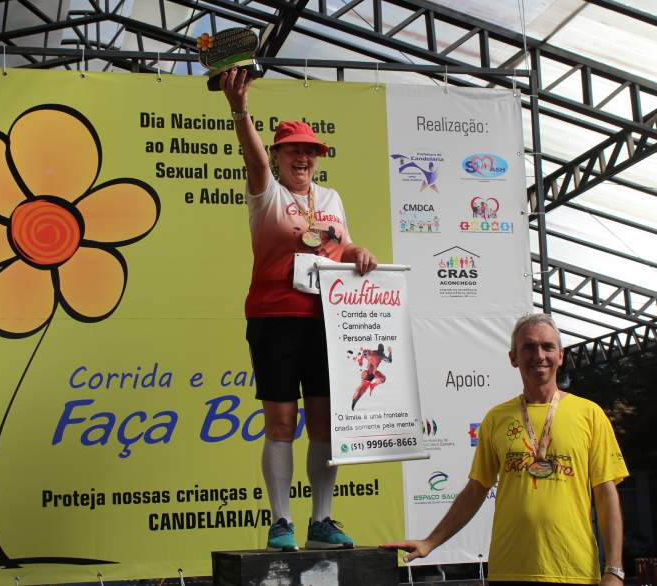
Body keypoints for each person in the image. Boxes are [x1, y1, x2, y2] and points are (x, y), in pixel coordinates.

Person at [220, 68, 378, 551]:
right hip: (274, 319)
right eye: (294, 150)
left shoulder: (330, 199)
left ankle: (322, 521)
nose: (304, 157)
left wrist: (360, 253)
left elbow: (342, 248)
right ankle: (281, 522)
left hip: (331, 319)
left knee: (328, 423)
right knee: (282, 421)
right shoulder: (267, 194)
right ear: (278, 156)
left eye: (311, 151)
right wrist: (240, 108)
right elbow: (252, 161)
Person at [383, 314, 628, 586]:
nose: (539, 355)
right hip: (509, 570)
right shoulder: (496, 418)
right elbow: (476, 489)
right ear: (513, 358)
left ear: (560, 356)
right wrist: (430, 542)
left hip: (574, 571)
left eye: (547, 347)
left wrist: (614, 569)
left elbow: (606, 494)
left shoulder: (590, 415)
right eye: (529, 347)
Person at [351, 344, 393, 411]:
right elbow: (389, 360)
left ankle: (354, 399)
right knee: (364, 388)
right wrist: (390, 352)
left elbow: (365, 351)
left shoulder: (373, 352)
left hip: (369, 373)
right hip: (370, 374)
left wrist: (363, 358)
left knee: (363, 388)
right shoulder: (381, 355)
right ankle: (355, 400)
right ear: (382, 350)